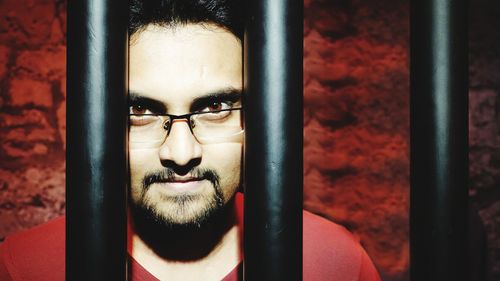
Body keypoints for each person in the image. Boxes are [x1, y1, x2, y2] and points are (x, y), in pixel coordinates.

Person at [0, 0, 381, 280]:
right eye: (142, 111)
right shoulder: (25, 267)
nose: (181, 153)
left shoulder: (333, 262)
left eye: (215, 106)